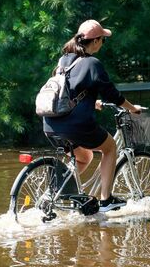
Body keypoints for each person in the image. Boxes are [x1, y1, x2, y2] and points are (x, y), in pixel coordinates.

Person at [43, 19, 141, 212]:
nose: (102, 44)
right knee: (110, 147)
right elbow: (112, 94)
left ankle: (53, 194)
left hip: (50, 124)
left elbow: (68, 90)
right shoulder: (93, 63)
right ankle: (106, 201)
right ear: (95, 41)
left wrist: (90, 100)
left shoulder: (65, 59)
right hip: (76, 125)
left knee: (85, 157)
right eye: (102, 40)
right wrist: (132, 108)